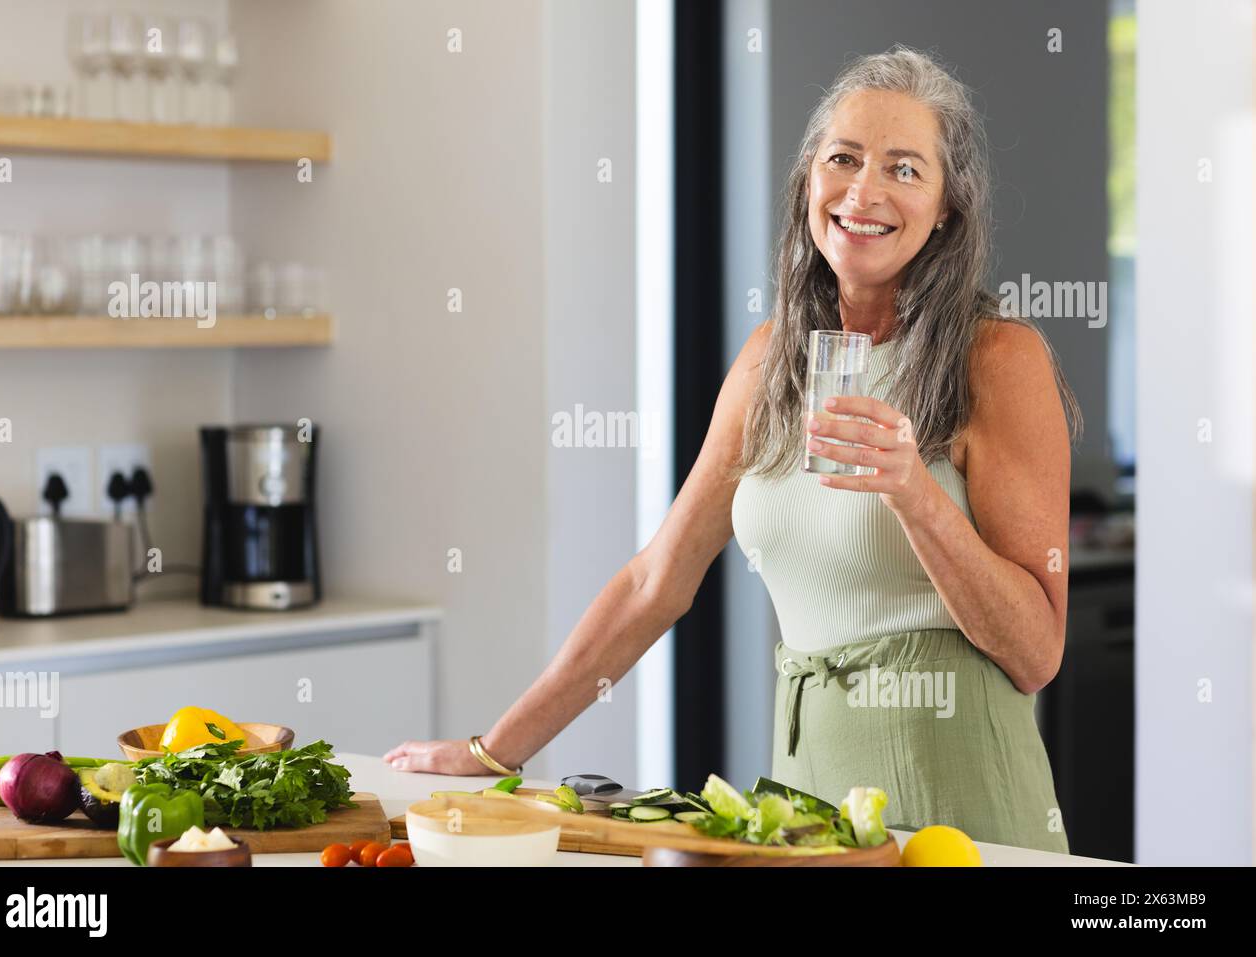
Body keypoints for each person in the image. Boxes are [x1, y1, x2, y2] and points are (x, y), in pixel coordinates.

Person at [386, 46, 1082, 852]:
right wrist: (492, 750)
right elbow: (656, 581)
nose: (864, 192)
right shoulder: (770, 359)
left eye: (904, 169)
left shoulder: (997, 359)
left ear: (947, 210)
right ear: (808, 184)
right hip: (806, 795)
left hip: (960, 786)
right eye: (843, 159)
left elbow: (1036, 651)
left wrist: (915, 496)